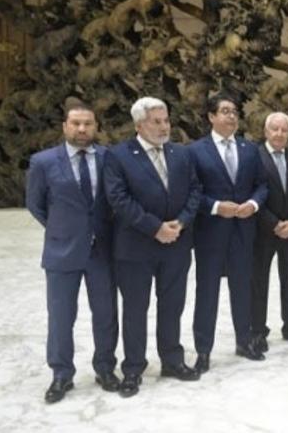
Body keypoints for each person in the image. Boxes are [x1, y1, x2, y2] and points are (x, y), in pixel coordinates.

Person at [103, 96, 202, 397]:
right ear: (139, 124)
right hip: (136, 248)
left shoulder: (181, 153)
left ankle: (172, 360)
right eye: (156, 121)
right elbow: (118, 200)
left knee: (172, 306)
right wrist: (155, 228)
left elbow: (196, 190)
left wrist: (180, 223)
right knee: (135, 309)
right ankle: (133, 367)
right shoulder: (118, 156)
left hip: (177, 243)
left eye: (166, 120)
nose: (163, 127)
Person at [26, 97, 119, 403]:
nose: (82, 129)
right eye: (76, 123)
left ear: (96, 127)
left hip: (102, 252)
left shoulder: (109, 158)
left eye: (88, 123)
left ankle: (105, 368)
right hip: (62, 252)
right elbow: (36, 204)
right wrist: (62, 230)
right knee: (61, 316)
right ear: (65, 126)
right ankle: (61, 374)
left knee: (105, 314)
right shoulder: (43, 162)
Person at [189, 94, 268, 372]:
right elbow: (190, 193)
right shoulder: (196, 151)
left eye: (234, 112)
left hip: (243, 231)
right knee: (207, 292)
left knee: (243, 289)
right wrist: (215, 207)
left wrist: (253, 204)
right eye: (225, 111)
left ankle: (244, 341)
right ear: (211, 116)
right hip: (210, 232)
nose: (231, 116)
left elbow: (262, 185)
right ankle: (203, 350)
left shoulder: (249, 149)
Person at [251, 112, 288, 352]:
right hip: (263, 231)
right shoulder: (254, 157)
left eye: (284, 130)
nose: (279, 134)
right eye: (274, 129)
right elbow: (250, 193)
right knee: (259, 282)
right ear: (266, 132)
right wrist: (274, 224)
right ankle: (257, 330)